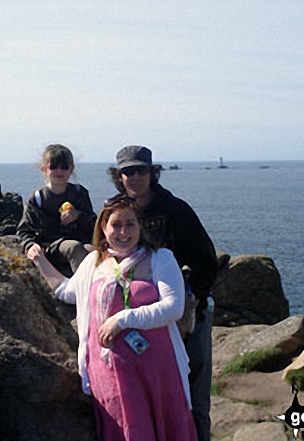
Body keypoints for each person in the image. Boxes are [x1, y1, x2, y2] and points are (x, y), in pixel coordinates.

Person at [27, 196, 198, 441]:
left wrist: (122, 319)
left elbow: (173, 308)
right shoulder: (93, 263)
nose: (123, 232)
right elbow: (66, 291)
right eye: (115, 225)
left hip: (156, 367)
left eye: (130, 224)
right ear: (103, 228)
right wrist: (39, 259)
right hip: (109, 369)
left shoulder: (160, 258)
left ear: (140, 226)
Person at [107, 145, 218, 441]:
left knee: (193, 395)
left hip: (188, 314)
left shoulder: (177, 211)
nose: (134, 176)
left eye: (141, 170)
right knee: (149, 398)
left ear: (152, 173)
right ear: (119, 176)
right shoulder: (115, 211)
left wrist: (191, 297)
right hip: (138, 321)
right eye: (127, 171)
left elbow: (206, 260)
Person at [17, 144, 96, 277]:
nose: (59, 171)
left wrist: (78, 215)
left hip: (81, 242)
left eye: (64, 167)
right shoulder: (38, 198)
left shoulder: (79, 193)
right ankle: (83, 292)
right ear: (44, 169)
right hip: (53, 247)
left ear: (71, 169)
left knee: (92, 251)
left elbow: (94, 224)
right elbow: (24, 230)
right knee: (73, 247)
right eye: (53, 167)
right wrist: (29, 245)